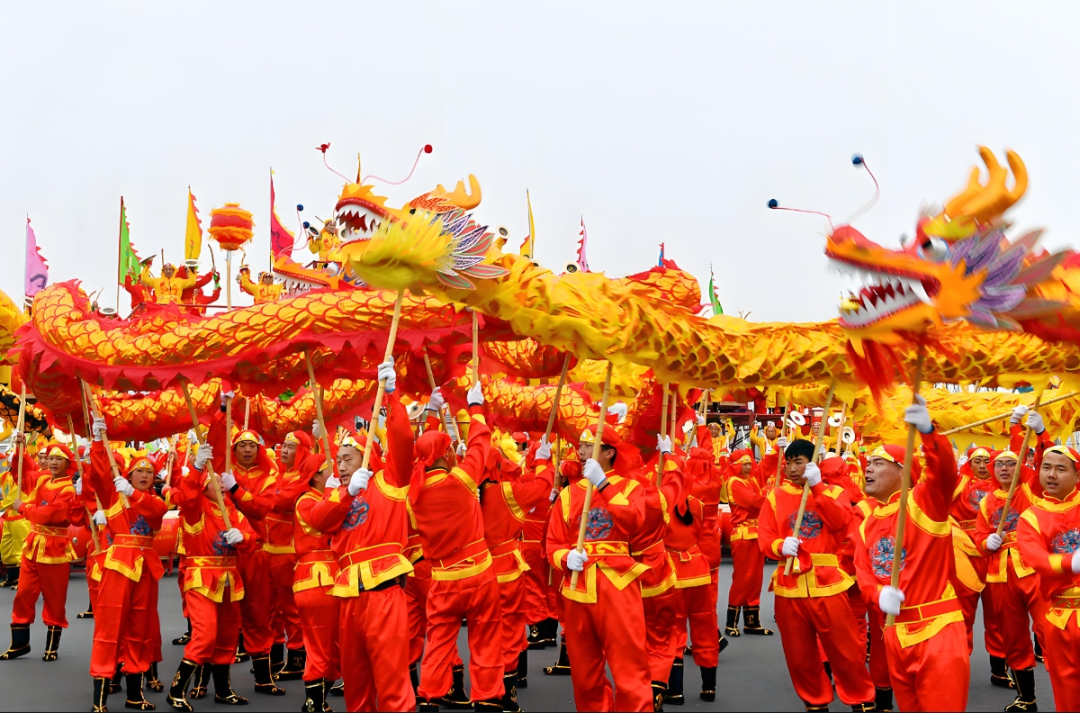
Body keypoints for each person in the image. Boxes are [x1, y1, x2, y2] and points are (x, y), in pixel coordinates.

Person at [853, 397, 969, 712]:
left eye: (878, 463)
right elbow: (862, 573)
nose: (868, 468)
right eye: (868, 463)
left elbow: (944, 470)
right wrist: (877, 593)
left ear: (903, 472)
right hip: (895, 634)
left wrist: (929, 433)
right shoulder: (867, 523)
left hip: (937, 631)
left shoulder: (922, 503)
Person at [317, 360, 415, 712]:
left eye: (348, 458)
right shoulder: (336, 494)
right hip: (348, 597)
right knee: (355, 685)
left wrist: (392, 396)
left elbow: (403, 440)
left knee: (391, 682)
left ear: (367, 457)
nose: (341, 466)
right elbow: (319, 521)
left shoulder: (389, 481)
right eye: (338, 460)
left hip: (384, 593)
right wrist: (345, 492)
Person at [758, 438, 875, 712]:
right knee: (799, 657)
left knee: (845, 652)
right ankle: (815, 701)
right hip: (789, 586)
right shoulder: (775, 496)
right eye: (789, 463)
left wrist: (819, 487)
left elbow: (840, 523)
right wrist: (779, 546)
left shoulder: (834, 492)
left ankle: (861, 700)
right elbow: (765, 535)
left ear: (812, 463)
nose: (792, 469)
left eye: (798, 462)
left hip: (828, 584)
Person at [545, 423, 653, 712]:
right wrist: (566, 558)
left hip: (617, 585)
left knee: (630, 671)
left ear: (608, 452)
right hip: (578, 589)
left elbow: (633, 522)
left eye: (588, 445)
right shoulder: (568, 494)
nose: (580, 452)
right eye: (579, 445)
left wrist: (603, 484)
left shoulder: (630, 486)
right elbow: (552, 545)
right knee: (584, 677)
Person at [411, 380, 505, 711]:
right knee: (486, 638)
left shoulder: (414, 494)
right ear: (447, 454)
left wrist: (432, 413)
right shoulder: (462, 480)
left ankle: (429, 696)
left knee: (437, 643)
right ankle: (488, 697)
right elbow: (481, 441)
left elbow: (421, 452)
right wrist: (476, 407)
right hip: (478, 575)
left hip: (442, 581)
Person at [206, 407, 290, 695]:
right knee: (217, 616)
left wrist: (235, 490)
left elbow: (260, 507)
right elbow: (214, 443)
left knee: (257, 612)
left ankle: (264, 678)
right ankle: (211, 682)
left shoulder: (269, 477)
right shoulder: (223, 469)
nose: (246, 450)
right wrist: (222, 412)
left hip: (254, 551)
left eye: (252, 445)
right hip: (223, 553)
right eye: (241, 445)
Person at [86, 417, 168, 712]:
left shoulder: (154, 502)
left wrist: (133, 493)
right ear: (128, 475)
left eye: (150, 472)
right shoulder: (113, 496)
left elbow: (156, 512)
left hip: (146, 567)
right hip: (119, 564)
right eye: (139, 471)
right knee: (109, 628)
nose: (145, 475)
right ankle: (100, 697)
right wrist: (97, 440)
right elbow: (97, 473)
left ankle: (135, 694)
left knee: (140, 629)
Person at [166, 441, 252, 711]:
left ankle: (223, 690)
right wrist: (196, 467)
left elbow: (251, 536)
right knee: (205, 635)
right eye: (215, 480)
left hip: (228, 577)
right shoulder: (195, 508)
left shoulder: (231, 510)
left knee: (227, 635)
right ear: (203, 486)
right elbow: (186, 493)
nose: (222, 483)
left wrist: (244, 536)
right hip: (202, 577)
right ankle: (177, 689)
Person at [480, 435, 555, 711]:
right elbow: (542, 487)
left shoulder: (465, 488)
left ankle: (484, 689)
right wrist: (544, 461)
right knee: (510, 632)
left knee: (483, 633)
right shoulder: (505, 492)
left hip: (474, 568)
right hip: (505, 569)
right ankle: (504, 695)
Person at [976, 444, 1046, 712]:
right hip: (1000, 575)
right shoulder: (986, 502)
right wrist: (987, 542)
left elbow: (1042, 463)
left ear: (1020, 468)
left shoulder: (1028, 490)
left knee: (1050, 631)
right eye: (999, 464)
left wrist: (1038, 435)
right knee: (1014, 637)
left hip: (1033, 568)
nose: (1004, 469)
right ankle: (1027, 698)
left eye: (1010, 463)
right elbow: (980, 535)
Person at [0, 437, 78, 662]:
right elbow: (24, 474)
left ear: (67, 463)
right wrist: (21, 448)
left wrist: (25, 507)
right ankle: (19, 643)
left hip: (54, 547)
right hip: (34, 544)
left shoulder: (68, 489)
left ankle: (51, 646)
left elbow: (53, 514)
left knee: (54, 597)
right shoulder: (44, 480)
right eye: (50, 458)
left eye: (58, 459)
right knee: (23, 593)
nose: (52, 462)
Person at [1017, 443, 1080, 713]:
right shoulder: (1031, 517)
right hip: (1060, 616)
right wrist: (1070, 562)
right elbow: (1035, 558)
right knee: (1066, 689)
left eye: (1060, 469)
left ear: (1078, 476)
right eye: (1046, 467)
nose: (1051, 474)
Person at [289, 453, 342, 713]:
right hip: (318, 581)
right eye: (329, 470)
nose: (336, 471)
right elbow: (325, 520)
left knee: (334, 648)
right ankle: (313, 704)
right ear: (316, 476)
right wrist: (335, 492)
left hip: (330, 579)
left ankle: (318, 700)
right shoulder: (307, 501)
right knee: (321, 646)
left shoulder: (320, 498)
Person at [725, 449, 773, 636]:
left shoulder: (751, 480)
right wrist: (771, 497)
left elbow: (765, 469)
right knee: (742, 579)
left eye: (749, 463)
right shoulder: (734, 482)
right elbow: (752, 502)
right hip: (743, 534)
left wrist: (776, 450)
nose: (747, 467)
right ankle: (731, 623)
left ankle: (752, 622)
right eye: (744, 464)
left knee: (755, 579)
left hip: (756, 534)